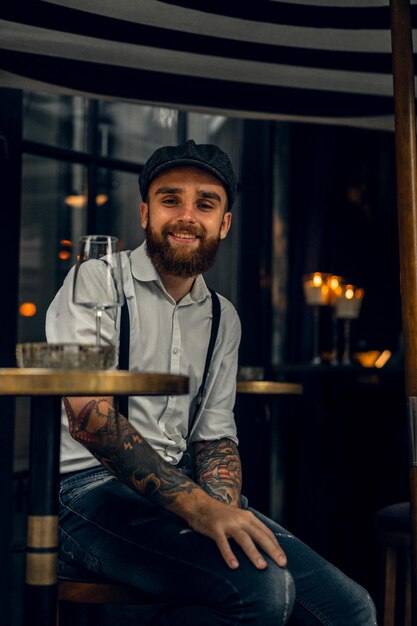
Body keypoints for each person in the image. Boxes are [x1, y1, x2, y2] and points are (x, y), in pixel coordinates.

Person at [46, 139, 377, 625]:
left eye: (205, 203)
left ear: (224, 223)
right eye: (170, 199)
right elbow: (89, 419)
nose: (186, 215)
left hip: (180, 489)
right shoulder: (95, 282)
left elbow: (216, 436)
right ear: (145, 213)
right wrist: (199, 510)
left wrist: (219, 512)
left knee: (349, 608)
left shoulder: (225, 317)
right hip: (86, 494)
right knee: (261, 590)